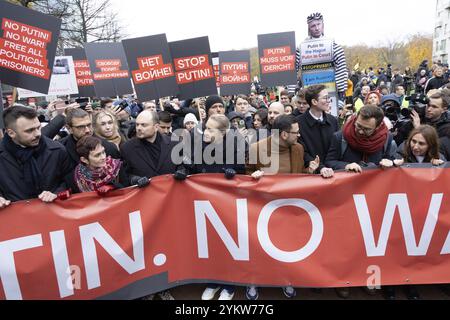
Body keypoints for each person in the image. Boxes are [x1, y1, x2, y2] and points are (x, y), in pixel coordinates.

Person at [245, 115, 326, 301]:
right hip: (262, 209)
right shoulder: (257, 148)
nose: (299, 135)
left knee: (286, 246)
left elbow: (298, 178)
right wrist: (253, 176)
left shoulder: (298, 148)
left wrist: (310, 171)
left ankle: (285, 278)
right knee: (259, 247)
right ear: (283, 134)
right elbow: (247, 175)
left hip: (289, 209)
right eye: (296, 132)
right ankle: (253, 280)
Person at [176, 114, 246, 301]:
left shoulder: (236, 148)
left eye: (210, 129)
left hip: (227, 205)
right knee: (209, 245)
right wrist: (183, 171)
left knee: (228, 245)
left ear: (223, 133)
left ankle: (229, 286)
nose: (205, 132)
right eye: (205, 127)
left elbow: (243, 172)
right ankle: (213, 281)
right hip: (204, 205)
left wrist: (235, 174)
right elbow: (189, 168)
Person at [0, 106, 72, 207]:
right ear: (11, 133)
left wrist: (56, 193)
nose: (38, 134)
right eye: (30, 131)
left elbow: (69, 182)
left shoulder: (57, 150)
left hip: (52, 214)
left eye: (38, 127)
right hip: (15, 218)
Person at [325, 105, 397, 174]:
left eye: (367, 129)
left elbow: (388, 158)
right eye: (358, 126)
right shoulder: (340, 137)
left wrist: (389, 162)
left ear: (378, 127)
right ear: (355, 119)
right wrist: (346, 166)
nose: (361, 131)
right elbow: (329, 161)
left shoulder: (386, 138)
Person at [296, 12, 348, 100]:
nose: (317, 28)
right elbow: (293, 70)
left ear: (322, 25)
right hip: (309, 91)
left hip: (330, 91)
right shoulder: (301, 48)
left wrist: (340, 92)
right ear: (309, 28)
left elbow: (341, 70)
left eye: (318, 24)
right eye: (313, 26)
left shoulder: (334, 46)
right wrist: (293, 90)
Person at [298, 85, 337, 178]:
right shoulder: (298, 123)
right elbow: (302, 152)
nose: (328, 100)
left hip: (335, 173)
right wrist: (320, 167)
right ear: (314, 102)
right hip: (311, 176)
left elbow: (337, 148)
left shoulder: (333, 120)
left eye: (328, 97)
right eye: (325, 98)